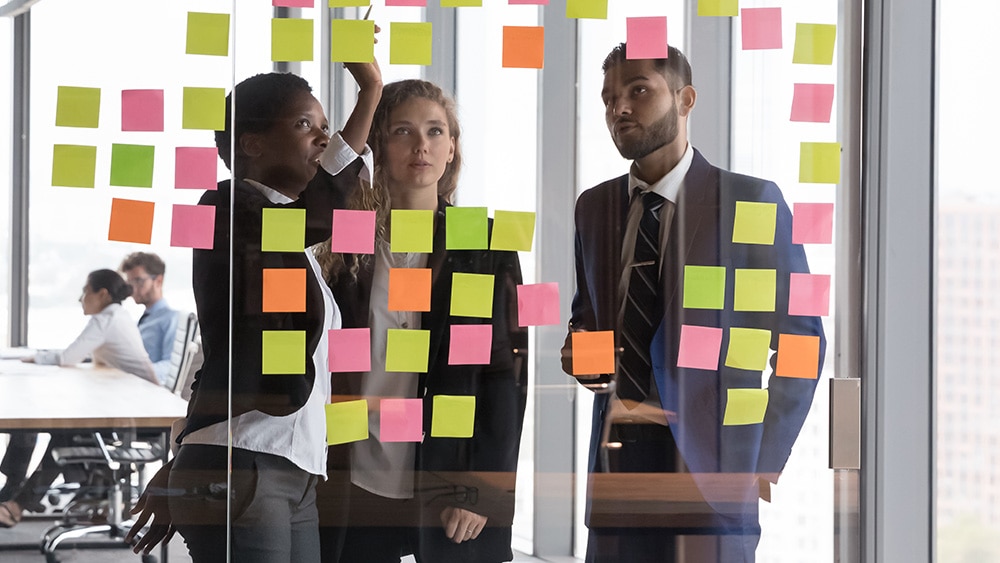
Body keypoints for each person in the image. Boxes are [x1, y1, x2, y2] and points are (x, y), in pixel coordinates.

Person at [561, 43, 826, 562]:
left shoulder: (752, 201)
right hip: (617, 470)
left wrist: (761, 461)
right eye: (609, 97)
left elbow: (802, 344)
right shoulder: (593, 207)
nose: (620, 108)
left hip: (714, 473)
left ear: (686, 99)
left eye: (639, 90)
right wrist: (579, 355)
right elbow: (587, 319)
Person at [125, 61, 383, 563]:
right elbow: (329, 204)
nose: (322, 140)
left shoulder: (293, 245)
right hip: (247, 462)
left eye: (325, 128)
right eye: (305, 125)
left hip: (292, 464)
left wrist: (183, 455)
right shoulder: (223, 210)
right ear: (252, 144)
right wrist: (370, 90)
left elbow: (225, 355)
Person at [314, 79, 528, 562]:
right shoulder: (347, 246)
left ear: (452, 148)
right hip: (356, 476)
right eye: (402, 131)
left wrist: (485, 489)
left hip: (449, 481)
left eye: (435, 131)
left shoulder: (483, 243)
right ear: (379, 147)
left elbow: (507, 379)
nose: (421, 145)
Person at [0, 269, 156, 528]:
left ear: (102, 294)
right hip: (129, 403)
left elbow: (67, 358)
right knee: (48, 428)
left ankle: (17, 500)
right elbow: (80, 355)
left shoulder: (107, 319)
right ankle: (15, 495)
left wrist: (35, 357)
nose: (81, 298)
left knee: (63, 432)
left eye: (85, 291)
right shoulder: (115, 316)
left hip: (138, 414)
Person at [120, 252, 179, 387]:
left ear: (158, 281)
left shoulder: (171, 319)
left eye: (138, 281)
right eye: (129, 283)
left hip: (148, 392)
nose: (133, 289)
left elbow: (171, 366)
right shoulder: (140, 321)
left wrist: (129, 372)